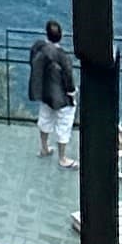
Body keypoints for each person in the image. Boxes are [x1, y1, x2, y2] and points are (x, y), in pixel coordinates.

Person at [28, 14, 79, 163]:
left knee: (44, 119)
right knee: (64, 123)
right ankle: (62, 158)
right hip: (60, 98)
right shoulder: (62, 56)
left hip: (44, 94)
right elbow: (68, 78)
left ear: (46, 34)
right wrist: (72, 93)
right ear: (61, 36)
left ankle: (44, 148)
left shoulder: (38, 47)